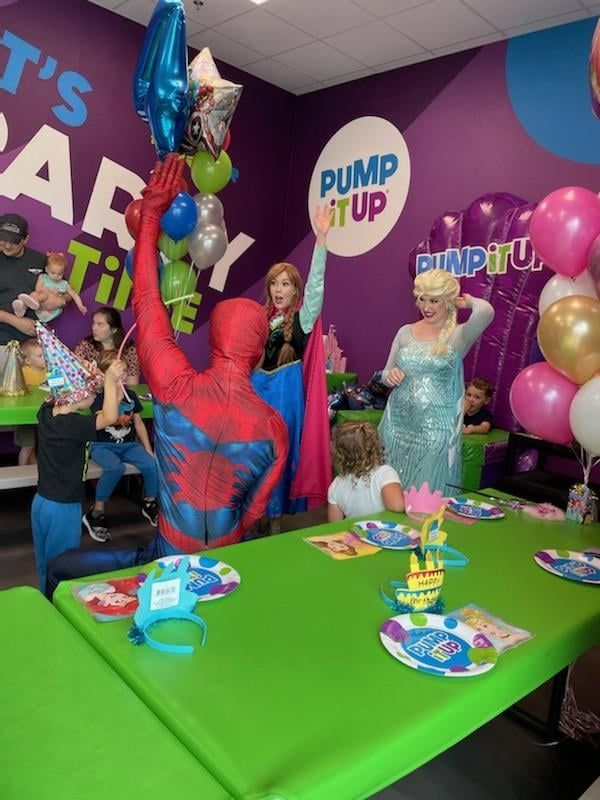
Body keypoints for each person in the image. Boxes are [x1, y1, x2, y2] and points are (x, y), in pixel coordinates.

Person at [45, 155, 288, 597]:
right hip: (226, 562)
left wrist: (151, 217)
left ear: (214, 338)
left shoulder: (177, 384)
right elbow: (254, 511)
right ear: (257, 350)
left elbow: (146, 296)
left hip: (169, 556)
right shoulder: (274, 427)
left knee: (61, 568)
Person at [251, 203, 333, 533]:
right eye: (274, 283)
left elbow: (317, 285)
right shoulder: (259, 319)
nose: (279, 289)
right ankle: (252, 514)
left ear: (295, 290)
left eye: (285, 284)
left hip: (285, 397)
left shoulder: (302, 319)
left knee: (278, 458)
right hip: (256, 395)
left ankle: (273, 521)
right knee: (254, 455)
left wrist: (321, 240)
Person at [378, 269, 494, 495]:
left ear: (447, 302)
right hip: (397, 425)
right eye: (422, 299)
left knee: (426, 493)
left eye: (434, 301)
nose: (426, 307)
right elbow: (385, 373)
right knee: (390, 489)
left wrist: (467, 302)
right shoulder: (404, 332)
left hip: (436, 430)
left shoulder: (458, 335)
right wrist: (390, 376)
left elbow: (486, 311)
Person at [31, 321, 125, 591]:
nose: (94, 393)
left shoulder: (47, 412)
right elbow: (109, 416)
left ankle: (45, 598)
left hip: (41, 502)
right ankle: (57, 606)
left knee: (45, 564)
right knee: (62, 567)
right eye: (90, 390)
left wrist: (102, 384)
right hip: (63, 506)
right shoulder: (73, 425)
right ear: (77, 395)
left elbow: (97, 407)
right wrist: (109, 381)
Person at [83, 349, 158, 544]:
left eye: (124, 371)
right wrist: (115, 397)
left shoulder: (131, 395)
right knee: (115, 467)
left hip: (128, 445)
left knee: (152, 464)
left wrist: (147, 448)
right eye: (117, 372)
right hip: (102, 445)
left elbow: (138, 423)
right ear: (104, 375)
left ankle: (149, 502)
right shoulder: (98, 397)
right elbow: (104, 419)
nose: (122, 375)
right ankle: (97, 511)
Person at [0, 213, 68, 371]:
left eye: (14, 241)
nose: (7, 245)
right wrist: (15, 321)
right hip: (2, 344)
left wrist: (61, 301)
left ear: (26, 239)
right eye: (3, 239)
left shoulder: (40, 260)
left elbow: (66, 289)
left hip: (35, 349)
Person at [327, 421, 404, 521]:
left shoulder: (336, 485)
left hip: (354, 530)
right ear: (375, 448)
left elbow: (335, 524)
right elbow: (397, 507)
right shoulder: (384, 474)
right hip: (382, 530)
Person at [12, 251, 87, 322]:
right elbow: (38, 289)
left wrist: (80, 305)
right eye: (53, 273)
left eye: (60, 274)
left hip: (51, 311)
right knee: (35, 294)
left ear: (64, 272)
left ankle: (34, 302)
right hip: (39, 307)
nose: (56, 276)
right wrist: (49, 290)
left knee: (44, 295)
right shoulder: (43, 277)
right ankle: (22, 308)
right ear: (47, 269)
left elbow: (74, 294)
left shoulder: (64, 284)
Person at [74, 307, 140, 384]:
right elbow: (74, 371)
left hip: (119, 390)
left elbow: (132, 383)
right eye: (94, 323)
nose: (94, 328)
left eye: (100, 324)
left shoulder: (129, 349)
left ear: (113, 329)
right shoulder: (86, 345)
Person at [15, 338, 47, 466]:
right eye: (40, 356)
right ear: (28, 361)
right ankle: (21, 470)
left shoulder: (49, 372)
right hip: (25, 416)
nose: (45, 358)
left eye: (45, 354)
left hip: (41, 414)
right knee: (28, 446)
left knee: (39, 444)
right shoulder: (22, 373)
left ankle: (33, 470)